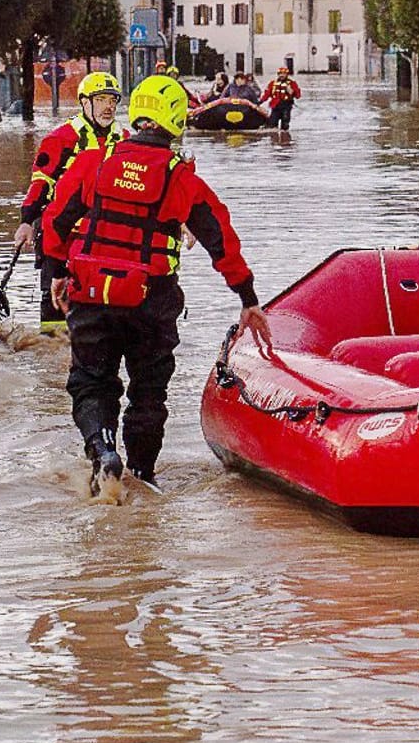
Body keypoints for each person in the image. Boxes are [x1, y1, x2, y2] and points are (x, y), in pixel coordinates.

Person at [41, 74, 274, 495]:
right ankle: (143, 478)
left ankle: (102, 450)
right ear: (173, 120)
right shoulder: (181, 178)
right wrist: (248, 299)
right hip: (151, 300)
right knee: (148, 393)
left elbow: (55, 221)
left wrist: (57, 272)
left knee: (91, 382)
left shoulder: (95, 161)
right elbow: (220, 239)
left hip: (92, 295)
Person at [15, 71, 125, 335]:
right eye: (101, 100)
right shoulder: (61, 138)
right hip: (58, 230)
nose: (108, 106)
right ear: (85, 102)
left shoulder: (124, 139)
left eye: (113, 100)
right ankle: (51, 352)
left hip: (99, 235)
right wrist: (26, 221)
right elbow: (40, 184)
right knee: (53, 303)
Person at [261, 66, 302, 130]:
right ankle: (274, 138)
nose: (282, 75)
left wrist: (292, 91)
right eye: (280, 74)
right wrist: (260, 101)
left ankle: (285, 138)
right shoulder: (272, 83)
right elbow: (267, 94)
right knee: (272, 125)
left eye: (284, 74)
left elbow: (298, 96)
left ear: (287, 75)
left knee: (285, 125)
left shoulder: (292, 83)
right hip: (275, 106)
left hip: (286, 106)